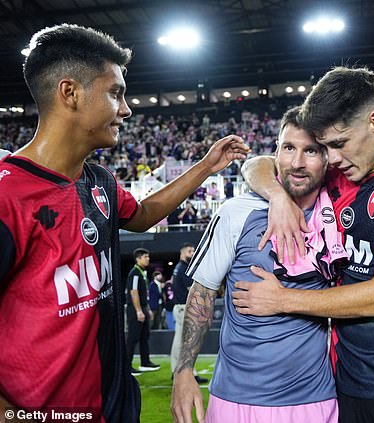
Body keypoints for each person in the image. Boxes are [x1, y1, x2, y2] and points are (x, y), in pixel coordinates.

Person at [0, 24, 248, 420]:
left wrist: (207, 166)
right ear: (70, 93)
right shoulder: (7, 197)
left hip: (116, 406)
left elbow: (145, 214)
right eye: (115, 93)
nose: (127, 109)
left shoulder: (99, 181)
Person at [236, 67, 374, 423]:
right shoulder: (339, 176)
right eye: (324, 147)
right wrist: (277, 196)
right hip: (346, 382)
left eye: (339, 144)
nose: (333, 158)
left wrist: (281, 300)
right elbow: (257, 164)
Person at [171, 107, 343, 423]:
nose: (297, 162)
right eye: (289, 148)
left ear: (327, 158)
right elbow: (202, 292)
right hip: (234, 400)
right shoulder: (236, 212)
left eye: (311, 151)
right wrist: (184, 371)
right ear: (275, 151)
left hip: (314, 400)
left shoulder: (340, 215)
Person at [170, 243, 208, 385]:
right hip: (183, 308)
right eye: (190, 251)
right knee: (185, 342)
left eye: (193, 250)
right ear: (182, 252)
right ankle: (185, 373)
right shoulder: (184, 268)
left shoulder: (179, 268)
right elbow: (192, 290)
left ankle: (178, 371)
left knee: (180, 342)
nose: (192, 253)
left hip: (180, 307)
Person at [126, 248, 160, 376]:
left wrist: (147, 310)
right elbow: (133, 292)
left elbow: (142, 294)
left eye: (148, 256)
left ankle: (145, 362)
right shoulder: (135, 273)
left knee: (144, 336)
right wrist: (139, 311)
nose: (148, 259)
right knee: (132, 338)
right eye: (145, 257)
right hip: (135, 310)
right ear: (138, 259)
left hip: (143, 308)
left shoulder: (142, 273)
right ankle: (127, 366)